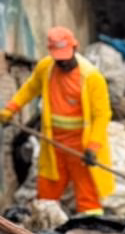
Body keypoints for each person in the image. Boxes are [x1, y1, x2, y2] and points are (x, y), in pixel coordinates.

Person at [0, 26, 114, 215]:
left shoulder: (91, 77)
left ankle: (90, 232)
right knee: (47, 194)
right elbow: (30, 89)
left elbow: (102, 115)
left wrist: (93, 147)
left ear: (75, 49)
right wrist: (11, 109)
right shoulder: (46, 68)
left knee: (88, 197)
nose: (63, 63)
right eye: (58, 58)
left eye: (66, 57)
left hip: (81, 146)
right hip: (53, 144)